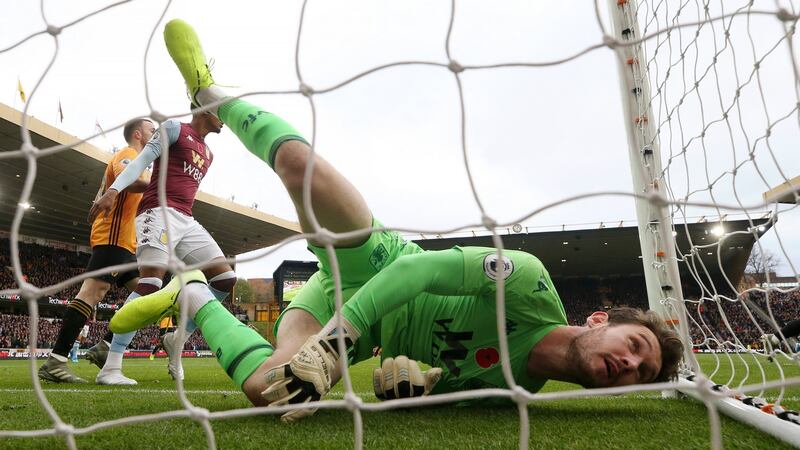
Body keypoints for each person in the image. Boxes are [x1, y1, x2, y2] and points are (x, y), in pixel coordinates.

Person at [110, 19, 684, 422]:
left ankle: (192, 297)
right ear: (602, 319)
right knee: (300, 167)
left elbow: (424, 389)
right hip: (381, 264)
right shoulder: (528, 280)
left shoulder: (512, 394)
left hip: (359, 328)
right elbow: (419, 277)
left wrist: (407, 385)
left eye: (639, 370)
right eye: (635, 343)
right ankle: (211, 93)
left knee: (269, 393)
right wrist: (338, 343)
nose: (628, 362)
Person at [89, 85, 238, 383]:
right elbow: (142, 162)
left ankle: (178, 339)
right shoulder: (173, 129)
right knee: (151, 283)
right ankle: (111, 366)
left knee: (225, 278)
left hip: (186, 219)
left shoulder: (208, 154)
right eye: (221, 111)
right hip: (157, 213)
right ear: (204, 109)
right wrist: (113, 191)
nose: (225, 119)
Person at [38, 118, 154, 384]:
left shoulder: (142, 161)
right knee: (92, 293)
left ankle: (105, 347)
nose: (155, 134)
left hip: (125, 244)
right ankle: (55, 362)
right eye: (151, 130)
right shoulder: (128, 154)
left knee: (149, 295)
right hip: (112, 239)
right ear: (137, 134)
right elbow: (132, 181)